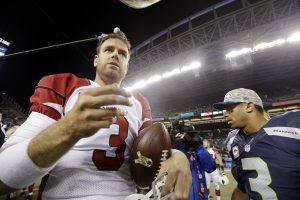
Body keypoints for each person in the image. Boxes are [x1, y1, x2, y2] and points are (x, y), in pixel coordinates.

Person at [0, 28, 191, 200]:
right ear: (95, 59)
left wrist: (175, 154)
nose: (116, 55)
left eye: (122, 53)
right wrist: (67, 129)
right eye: (109, 50)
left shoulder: (139, 101)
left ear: (127, 66)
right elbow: (3, 174)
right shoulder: (64, 85)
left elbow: (149, 150)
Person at [213, 88, 300, 200]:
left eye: (230, 109)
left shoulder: (291, 125)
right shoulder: (233, 140)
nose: (225, 114)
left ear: (249, 106)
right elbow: (243, 187)